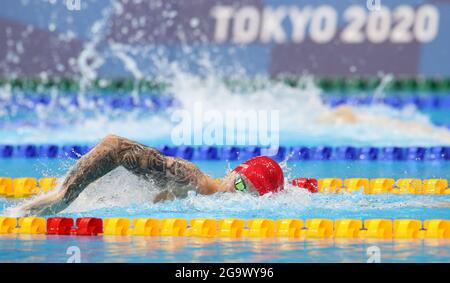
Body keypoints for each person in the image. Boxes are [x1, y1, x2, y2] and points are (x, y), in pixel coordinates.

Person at [12, 135, 284, 216]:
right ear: (231, 173)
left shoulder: (199, 201)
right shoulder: (191, 179)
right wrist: (71, 189)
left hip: (101, 195)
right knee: (58, 199)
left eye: (248, 192)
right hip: (95, 169)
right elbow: (116, 147)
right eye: (239, 183)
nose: (236, 192)